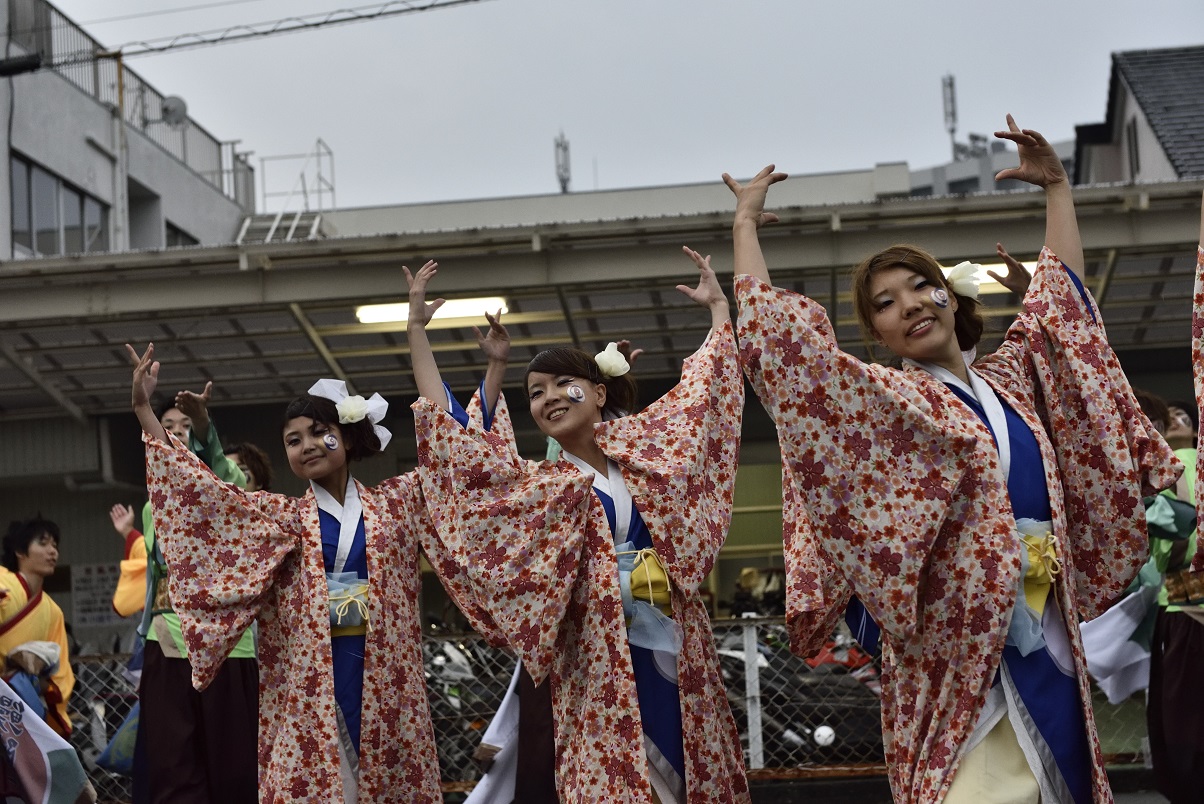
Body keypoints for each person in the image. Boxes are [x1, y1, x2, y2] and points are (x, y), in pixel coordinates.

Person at [725, 115, 1179, 804]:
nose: (909, 304)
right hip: (951, 647)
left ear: (949, 295)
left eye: (920, 286)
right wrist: (745, 231)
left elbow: (1062, 312)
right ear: (875, 332)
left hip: (1045, 628)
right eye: (886, 302)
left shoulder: (1014, 380)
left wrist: (1057, 187)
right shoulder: (890, 401)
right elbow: (791, 362)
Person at [124, 291, 512, 803]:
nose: (306, 445)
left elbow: (447, 445)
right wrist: (143, 410)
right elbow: (200, 496)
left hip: (388, 681)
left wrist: (419, 331)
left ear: (348, 439)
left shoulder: (399, 503)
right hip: (306, 689)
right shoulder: (280, 519)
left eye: (319, 433)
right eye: (293, 439)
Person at [409, 252, 750, 803]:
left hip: (672, 638)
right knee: (614, 779)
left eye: (561, 383)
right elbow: (457, 452)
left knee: (691, 768)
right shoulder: (537, 486)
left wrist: (717, 311)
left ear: (598, 392)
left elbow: (704, 403)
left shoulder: (647, 452)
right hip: (591, 653)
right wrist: (416, 334)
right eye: (535, 393)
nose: (546, 399)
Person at [110, 389, 259, 804]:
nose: (176, 434)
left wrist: (205, 426)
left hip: (229, 643)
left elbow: (226, 476)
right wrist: (141, 407)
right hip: (168, 638)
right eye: (167, 428)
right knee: (172, 763)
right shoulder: (150, 508)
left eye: (186, 427)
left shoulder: (230, 492)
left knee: (232, 766)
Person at [1151, 189, 1204, 802]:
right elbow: (1167, 549)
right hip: (1186, 608)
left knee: (1187, 736)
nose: (1181, 418)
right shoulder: (1169, 469)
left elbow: (1164, 549)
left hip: (1184, 609)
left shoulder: (1169, 470)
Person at [0, 516, 73, 737]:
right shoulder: (3, 584)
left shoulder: (52, 611)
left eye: (54, 545)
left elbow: (61, 671)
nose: (53, 552)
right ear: (20, 552)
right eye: (43, 543)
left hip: (20, 702)